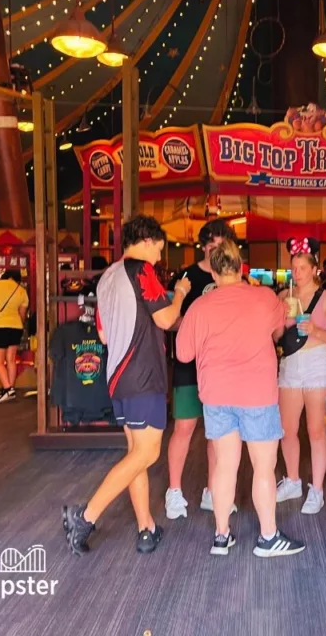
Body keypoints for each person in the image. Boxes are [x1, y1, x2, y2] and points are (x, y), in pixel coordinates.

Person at [62, 216, 190, 556]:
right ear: (146, 241)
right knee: (147, 453)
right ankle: (85, 515)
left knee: (137, 455)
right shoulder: (140, 270)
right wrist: (178, 294)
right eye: (160, 250)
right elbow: (166, 319)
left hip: (117, 376)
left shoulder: (106, 278)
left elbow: (103, 334)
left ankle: (146, 527)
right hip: (143, 374)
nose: (160, 258)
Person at [176, 239, 305, 557]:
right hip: (257, 394)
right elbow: (281, 328)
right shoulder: (262, 297)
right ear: (241, 266)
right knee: (264, 467)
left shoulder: (200, 306)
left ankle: (221, 536)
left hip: (217, 395)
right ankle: (268, 537)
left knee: (224, 466)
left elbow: (182, 353)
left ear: (214, 273)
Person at [165, 219, 240, 520]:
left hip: (220, 366)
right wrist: (198, 326)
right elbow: (170, 320)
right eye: (210, 246)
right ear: (202, 245)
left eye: (220, 246)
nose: (214, 251)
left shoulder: (233, 275)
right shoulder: (187, 276)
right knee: (184, 426)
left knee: (216, 432)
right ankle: (174, 492)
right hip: (189, 363)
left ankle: (212, 490)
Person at [275, 237, 326, 515]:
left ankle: (316, 490)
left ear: (314, 269)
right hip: (290, 364)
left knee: (316, 430)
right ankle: (292, 480)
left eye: (303, 267)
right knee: (287, 429)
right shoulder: (283, 297)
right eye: (294, 268)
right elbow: (277, 336)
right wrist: (281, 321)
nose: (298, 273)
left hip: (317, 363)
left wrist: (315, 331)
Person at [0, 269, 29, 403]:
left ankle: (8, 389)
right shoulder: (22, 291)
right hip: (16, 327)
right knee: (11, 360)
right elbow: (22, 314)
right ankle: (9, 388)